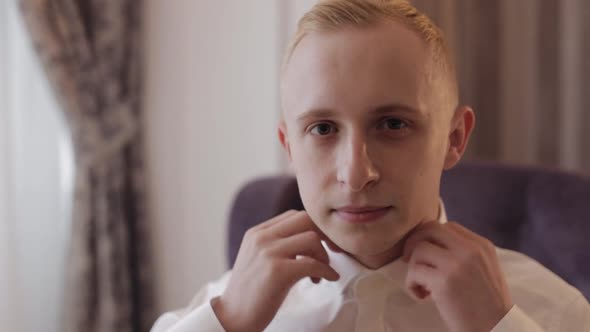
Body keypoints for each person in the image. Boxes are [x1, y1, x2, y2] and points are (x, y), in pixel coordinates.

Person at [151, 0, 590, 331]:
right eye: (323, 129)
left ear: (454, 138)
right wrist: (226, 321)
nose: (356, 174)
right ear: (289, 147)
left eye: (393, 124)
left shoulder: (555, 313)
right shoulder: (221, 311)